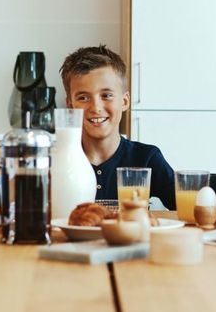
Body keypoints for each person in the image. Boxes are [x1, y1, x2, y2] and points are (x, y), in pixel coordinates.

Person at [59, 45, 176, 209]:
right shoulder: (55, 162)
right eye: (83, 97)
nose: (96, 107)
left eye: (106, 95)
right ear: (70, 106)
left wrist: (214, 198)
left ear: (125, 101)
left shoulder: (146, 158)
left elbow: (189, 206)